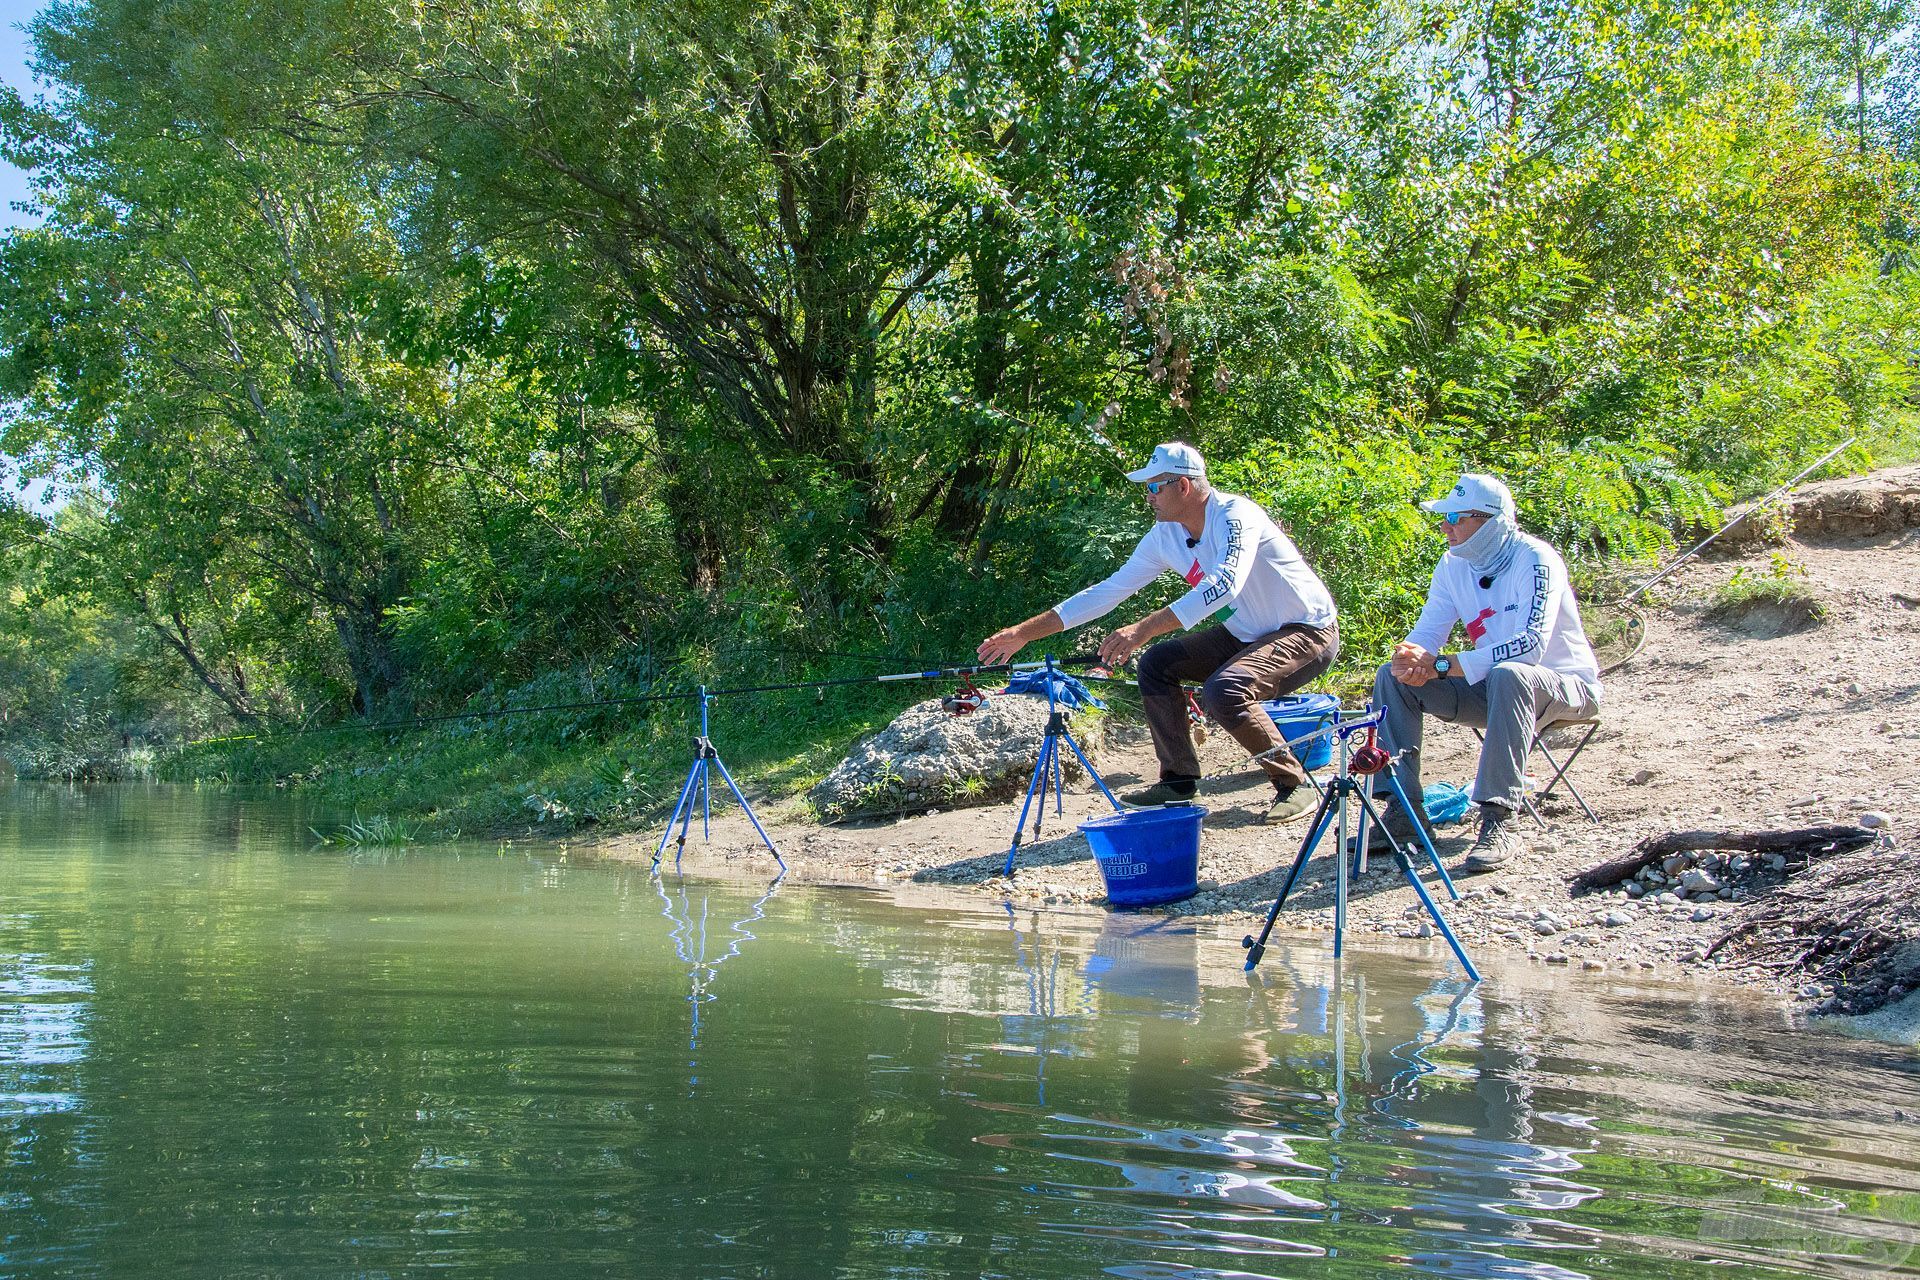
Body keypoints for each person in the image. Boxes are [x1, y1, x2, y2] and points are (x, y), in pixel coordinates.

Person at [976, 442, 1339, 823]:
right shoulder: (1164, 536)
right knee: (1157, 664)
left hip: (1307, 630)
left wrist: (1143, 628)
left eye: (1153, 487)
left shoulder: (1236, 515)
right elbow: (1107, 592)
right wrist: (1024, 633)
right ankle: (1179, 782)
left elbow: (1224, 585)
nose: (1148, 497)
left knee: (1224, 690)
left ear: (1182, 486)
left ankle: (1294, 784)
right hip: (1246, 632)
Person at [1372, 472, 1602, 872]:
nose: (1446, 526)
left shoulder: (1535, 557)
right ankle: (1403, 810)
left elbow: (1530, 646)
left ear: (1490, 519)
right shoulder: (1452, 564)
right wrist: (1410, 658)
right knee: (1390, 678)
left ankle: (1499, 817)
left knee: (1511, 673)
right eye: (1444, 517)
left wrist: (1442, 665)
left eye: (1457, 517)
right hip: (1493, 689)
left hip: (1565, 687)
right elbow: (1428, 632)